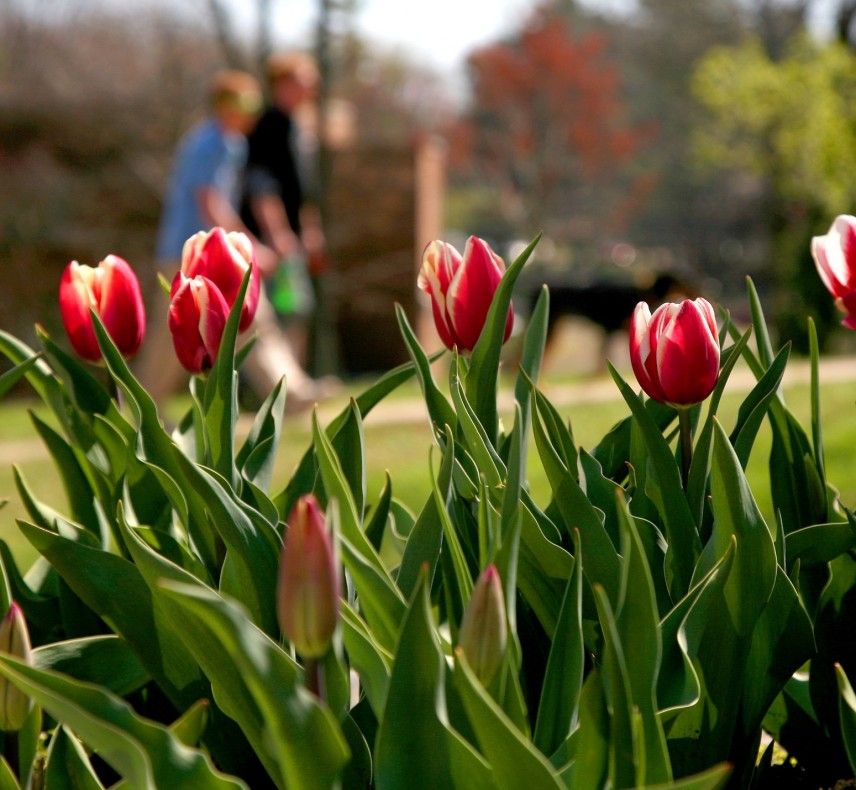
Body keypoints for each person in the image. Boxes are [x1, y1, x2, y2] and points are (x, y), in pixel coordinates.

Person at [138, 69, 325, 411]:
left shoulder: (234, 143)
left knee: (254, 320)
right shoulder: (209, 142)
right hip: (187, 254)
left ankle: (291, 392)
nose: (252, 112)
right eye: (244, 103)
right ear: (224, 106)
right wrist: (248, 246)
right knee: (170, 336)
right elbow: (208, 201)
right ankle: (143, 408)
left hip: (218, 253)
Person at [240, 52, 328, 368]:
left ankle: (291, 386)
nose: (311, 86)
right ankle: (283, 390)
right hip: (270, 239)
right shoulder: (268, 125)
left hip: (292, 235)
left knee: (296, 312)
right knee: (280, 313)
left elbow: (303, 192)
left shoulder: (299, 128)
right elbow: (262, 186)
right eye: (303, 79)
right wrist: (277, 235)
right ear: (283, 83)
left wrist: (311, 231)